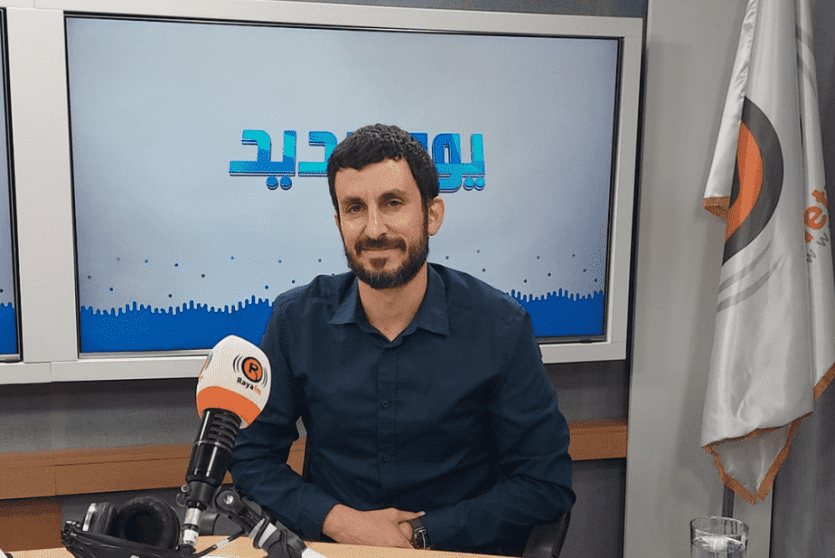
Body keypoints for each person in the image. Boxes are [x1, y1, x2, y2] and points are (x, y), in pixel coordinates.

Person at [230, 124, 574, 555]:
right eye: (355, 208)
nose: (374, 229)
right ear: (339, 223)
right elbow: (252, 457)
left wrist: (418, 534)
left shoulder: (500, 327)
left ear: (432, 215)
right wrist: (341, 522)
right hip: (336, 550)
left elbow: (545, 483)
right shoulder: (296, 320)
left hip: (454, 552)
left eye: (393, 203)